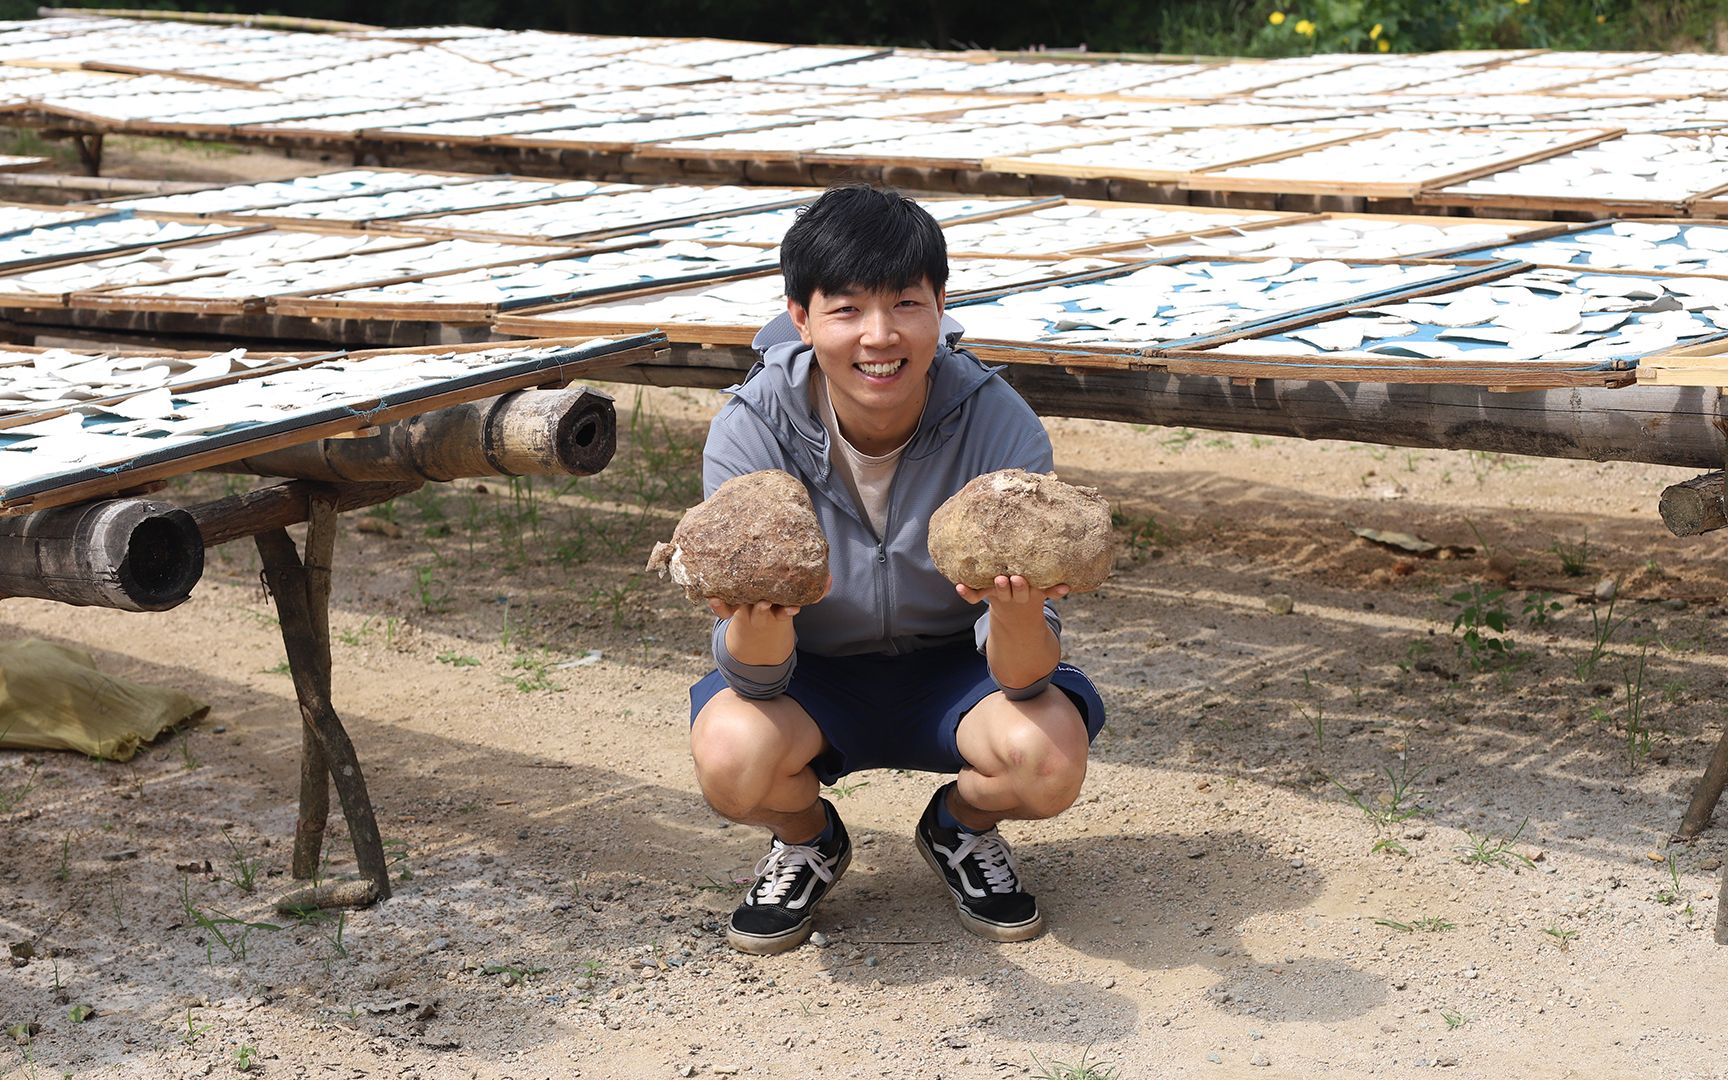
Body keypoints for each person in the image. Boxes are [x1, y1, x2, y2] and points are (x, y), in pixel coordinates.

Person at [687, 183, 1107, 955]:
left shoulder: (994, 419)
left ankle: (960, 828)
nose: (879, 337)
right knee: (729, 757)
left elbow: (1023, 676)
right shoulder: (751, 431)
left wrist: (1015, 610)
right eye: (846, 310)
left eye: (905, 304)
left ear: (940, 305)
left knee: (1048, 759)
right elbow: (754, 680)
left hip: (956, 670)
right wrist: (757, 621)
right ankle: (808, 839)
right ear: (800, 317)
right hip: (809, 675)